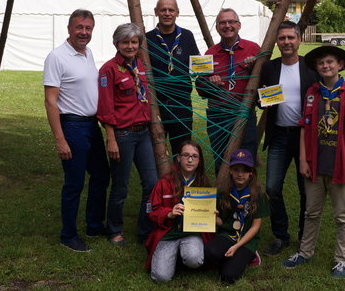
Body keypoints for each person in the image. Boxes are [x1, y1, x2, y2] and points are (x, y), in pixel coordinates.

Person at [281, 44, 345, 280]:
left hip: (341, 165)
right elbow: (303, 128)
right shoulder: (312, 93)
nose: (325, 66)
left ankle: (342, 260)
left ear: (340, 65)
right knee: (311, 212)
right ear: (317, 68)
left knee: (342, 215)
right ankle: (305, 251)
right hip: (315, 165)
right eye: (321, 63)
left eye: (330, 62)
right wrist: (302, 159)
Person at [43, 9, 110, 252]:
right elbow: (50, 102)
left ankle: (94, 224)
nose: (84, 32)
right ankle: (68, 234)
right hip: (72, 125)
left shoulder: (87, 53)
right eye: (79, 27)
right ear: (69, 28)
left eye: (88, 28)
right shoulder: (57, 57)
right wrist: (60, 139)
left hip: (91, 125)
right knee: (74, 182)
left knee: (101, 175)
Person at [259, 21, 318, 256]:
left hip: (305, 138)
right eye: (282, 38)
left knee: (306, 190)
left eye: (290, 38)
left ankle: (305, 236)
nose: (286, 42)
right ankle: (281, 236)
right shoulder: (270, 68)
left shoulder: (311, 68)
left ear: (299, 40)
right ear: (277, 42)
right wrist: (263, 100)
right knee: (272, 188)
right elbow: (259, 99)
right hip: (280, 136)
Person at [97, 23, 159, 245]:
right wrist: (111, 138)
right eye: (125, 42)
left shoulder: (141, 67)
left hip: (143, 134)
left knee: (151, 184)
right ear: (117, 44)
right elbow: (105, 108)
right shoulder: (109, 70)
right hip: (122, 136)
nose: (130, 46)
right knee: (120, 186)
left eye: (134, 42)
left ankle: (145, 230)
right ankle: (114, 230)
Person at [196, 8, 260, 174]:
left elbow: (266, 79)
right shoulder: (210, 54)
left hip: (244, 114)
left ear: (239, 25)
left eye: (231, 22)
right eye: (222, 22)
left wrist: (255, 68)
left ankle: (247, 198)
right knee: (221, 160)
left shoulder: (253, 49)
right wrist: (210, 83)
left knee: (246, 160)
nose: (227, 26)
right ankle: (224, 197)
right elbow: (200, 89)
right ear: (217, 27)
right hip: (218, 116)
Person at [145, 140, 212, 282]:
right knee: (160, 277)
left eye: (194, 156)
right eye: (186, 155)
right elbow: (151, 210)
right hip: (168, 233)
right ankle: (172, 257)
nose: (190, 160)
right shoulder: (164, 182)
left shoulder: (203, 182)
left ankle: (182, 256)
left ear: (199, 160)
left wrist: (210, 214)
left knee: (194, 260)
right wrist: (168, 213)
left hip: (192, 233)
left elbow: (207, 213)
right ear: (178, 157)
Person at [204, 148, 270, 284]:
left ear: (251, 172)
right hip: (228, 234)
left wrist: (236, 247)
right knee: (209, 252)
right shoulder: (223, 192)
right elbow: (223, 222)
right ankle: (232, 257)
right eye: (237, 169)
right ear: (230, 170)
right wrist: (213, 218)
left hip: (247, 240)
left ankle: (250, 255)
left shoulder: (258, 195)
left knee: (228, 276)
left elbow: (255, 227)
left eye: (245, 170)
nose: (240, 174)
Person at [145, 0, 200, 153]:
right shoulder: (146, 38)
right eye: (163, 10)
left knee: (182, 151)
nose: (167, 13)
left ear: (177, 13)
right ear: (156, 12)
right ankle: (159, 178)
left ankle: (180, 178)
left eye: (171, 10)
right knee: (156, 152)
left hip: (181, 105)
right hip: (156, 106)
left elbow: (197, 64)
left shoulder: (187, 36)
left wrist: (207, 72)